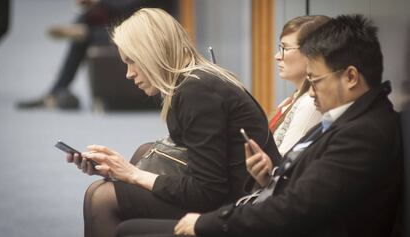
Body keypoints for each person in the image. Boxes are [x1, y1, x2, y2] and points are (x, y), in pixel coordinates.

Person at [115, 14, 403, 237]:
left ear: (351, 77)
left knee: (123, 228)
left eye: (315, 81)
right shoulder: (356, 118)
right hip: (264, 205)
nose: (311, 91)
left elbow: (296, 211)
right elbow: (310, 194)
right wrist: (269, 177)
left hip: (277, 225)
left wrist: (206, 224)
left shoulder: (363, 134)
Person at [67, 8, 280, 237]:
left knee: (101, 198)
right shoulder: (193, 81)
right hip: (229, 188)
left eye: (132, 62)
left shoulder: (197, 92)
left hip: (238, 206)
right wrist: (118, 172)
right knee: (142, 154)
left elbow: (208, 192)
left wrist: (131, 174)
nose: (129, 74)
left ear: (152, 53)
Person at [16, 0, 176, 110]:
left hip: (152, 30)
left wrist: (99, 2)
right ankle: (56, 91)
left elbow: (136, 7)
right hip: (124, 23)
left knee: (88, 34)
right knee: (84, 29)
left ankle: (83, 32)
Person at [270, 15, 328, 155]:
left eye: (285, 48)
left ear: (311, 53)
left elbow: (284, 162)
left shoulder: (310, 102)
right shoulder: (292, 99)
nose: (277, 56)